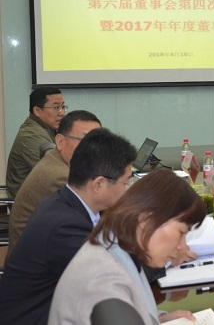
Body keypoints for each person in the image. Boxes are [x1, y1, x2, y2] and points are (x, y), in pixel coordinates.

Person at [0, 128, 136, 325]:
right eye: (126, 182)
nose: (128, 190)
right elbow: (112, 277)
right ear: (98, 184)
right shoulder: (65, 226)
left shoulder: (68, 202)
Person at [48, 168, 206, 324]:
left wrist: (159, 320)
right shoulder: (105, 280)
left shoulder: (118, 246)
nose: (183, 247)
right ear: (147, 219)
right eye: (181, 232)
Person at [6, 110, 101, 259]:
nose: (93, 148)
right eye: (83, 140)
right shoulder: (61, 176)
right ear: (60, 142)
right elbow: (96, 212)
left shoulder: (59, 159)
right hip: (35, 262)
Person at [5, 87, 66, 198]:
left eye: (63, 107)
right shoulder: (31, 136)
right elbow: (54, 174)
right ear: (37, 111)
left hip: (44, 199)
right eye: (56, 107)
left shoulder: (49, 129)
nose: (61, 113)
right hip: (30, 204)